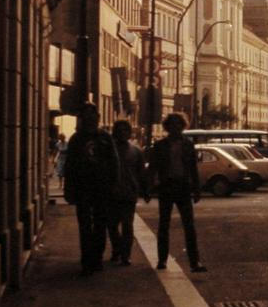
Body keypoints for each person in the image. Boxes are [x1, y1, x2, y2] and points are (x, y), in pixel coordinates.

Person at [146, 113, 207, 272]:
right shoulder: (160, 145)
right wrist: (149, 186)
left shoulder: (188, 145)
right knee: (164, 225)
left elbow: (193, 168)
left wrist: (196, 189)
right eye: (172, 124)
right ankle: (162, 260)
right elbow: (153, 167)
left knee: (189, 226)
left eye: (178, 124)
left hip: (183, 186)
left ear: (182, 126)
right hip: (167, 186)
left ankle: (195, 262)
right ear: (167, 127)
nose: (175, 127)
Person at [63, 104, 120, 276]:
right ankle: (87, 259)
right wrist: (69, 188)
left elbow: (114, 161)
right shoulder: (76, 139)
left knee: (100, 224)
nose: (90, 119)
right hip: (83, 187)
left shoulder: (105, 137)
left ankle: (97, 258)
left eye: (92, 116)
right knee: (85, 225)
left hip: (102, 187)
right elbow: (70, 165)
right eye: (86, 116)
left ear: (97, 118)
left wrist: (114, 183)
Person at [107, 120, 145, 265]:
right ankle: (117, 249)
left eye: (125, 130)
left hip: (129, 193)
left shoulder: (136, 151)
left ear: (129, 133)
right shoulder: (109, 150)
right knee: (111, 225)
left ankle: (125, 254)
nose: (123, 133)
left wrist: (144, 190)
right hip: (112, 193)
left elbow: (141, 172)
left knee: (128, 225)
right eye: (120, 130)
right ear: (115, 132)